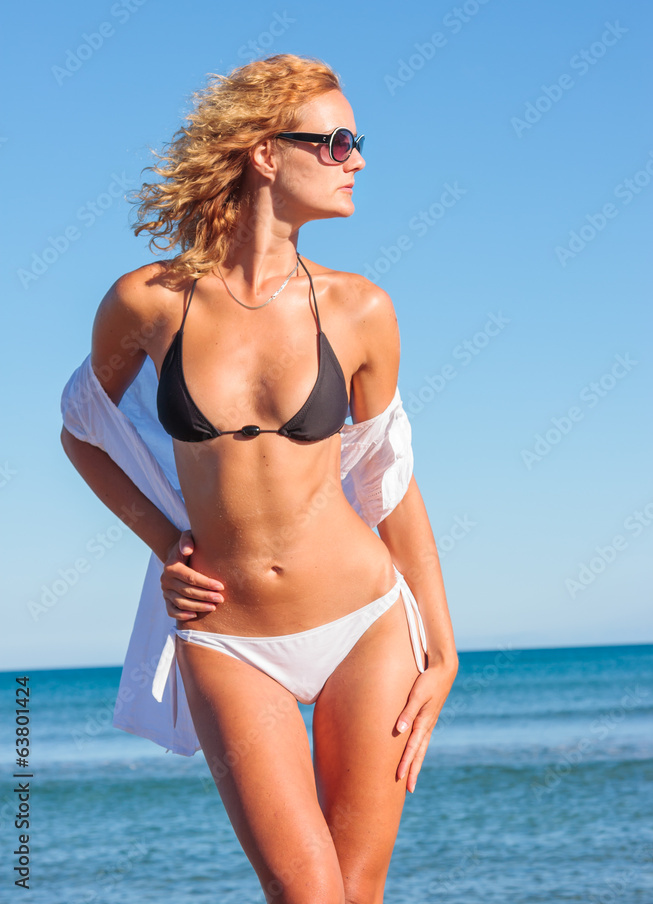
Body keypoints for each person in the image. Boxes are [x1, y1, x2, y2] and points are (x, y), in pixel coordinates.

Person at [60, 53, 458, 904]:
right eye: (338, 141)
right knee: (305, 894)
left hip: (366, 624)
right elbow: (82, 433)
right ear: (266, 154)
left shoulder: (361, 309)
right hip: (227, 636)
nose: (357, 160)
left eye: (357, 143)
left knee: (358, 890)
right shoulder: (148, 304)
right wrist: (166, 542)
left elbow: (391, 484)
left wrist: (443, 647)